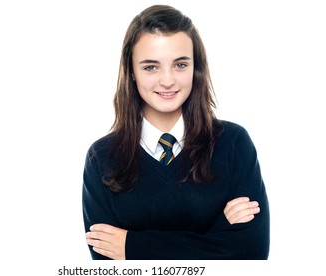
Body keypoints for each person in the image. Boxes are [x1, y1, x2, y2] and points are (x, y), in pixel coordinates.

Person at [82, 4, 270, 260]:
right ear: (132, 73)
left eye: (180, 65)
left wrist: (134, 246)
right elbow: (107, 265)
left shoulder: (233, 144)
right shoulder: (102, 157)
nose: (167, 80)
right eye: (151, 67)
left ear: (196, 68)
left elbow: (250, 253)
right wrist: (216, 236)